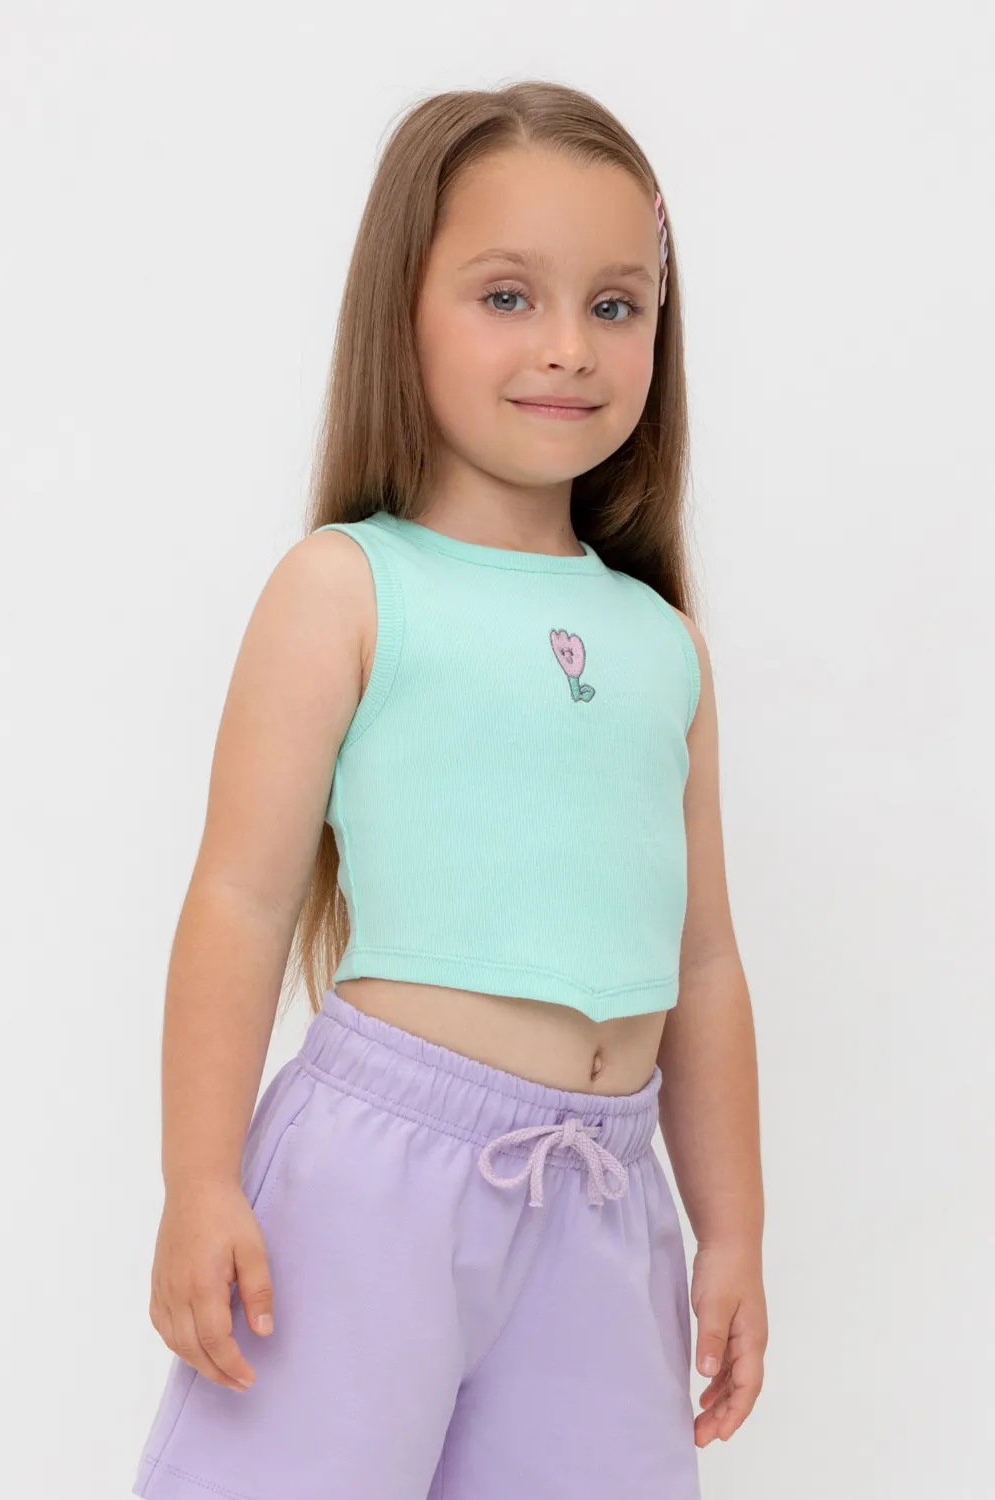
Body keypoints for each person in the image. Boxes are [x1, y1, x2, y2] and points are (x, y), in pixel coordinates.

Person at [131, 79, 766, 1500]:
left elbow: (704, 964)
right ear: (402, 310)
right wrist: (199, 1181)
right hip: (377, 1182)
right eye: (506, 296)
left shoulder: (662, 640)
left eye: (616, 305)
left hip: (606, 1200)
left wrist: (734, 1231)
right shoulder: (348, 588)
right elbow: (239, 900)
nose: (568, 347)